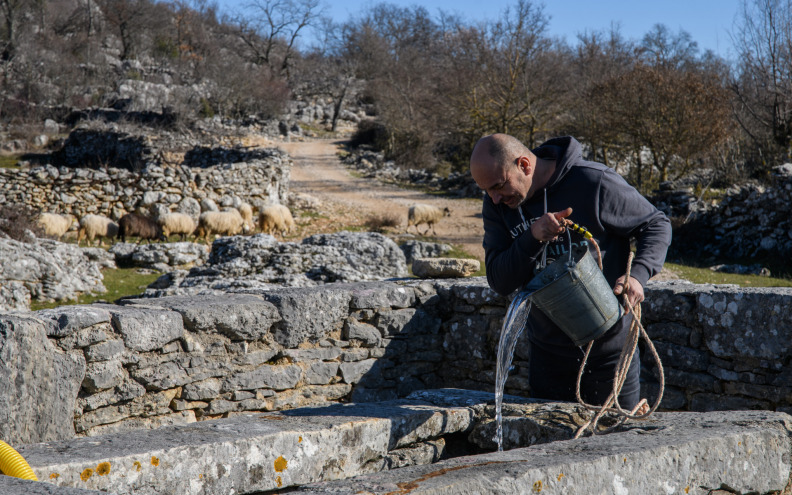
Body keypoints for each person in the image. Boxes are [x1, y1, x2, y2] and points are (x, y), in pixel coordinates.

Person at [469, 134, 672, 410]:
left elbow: (656, 224)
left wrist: (638, 275)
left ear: (525, 166)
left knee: (615, 444)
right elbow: (500, 280)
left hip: (609, 354)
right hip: (546, 358)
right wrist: (532, 237)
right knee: (549, 451)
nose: (493, 198)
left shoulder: (593, 182)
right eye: (486, 190)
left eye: (497, 186)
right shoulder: (498, 205)